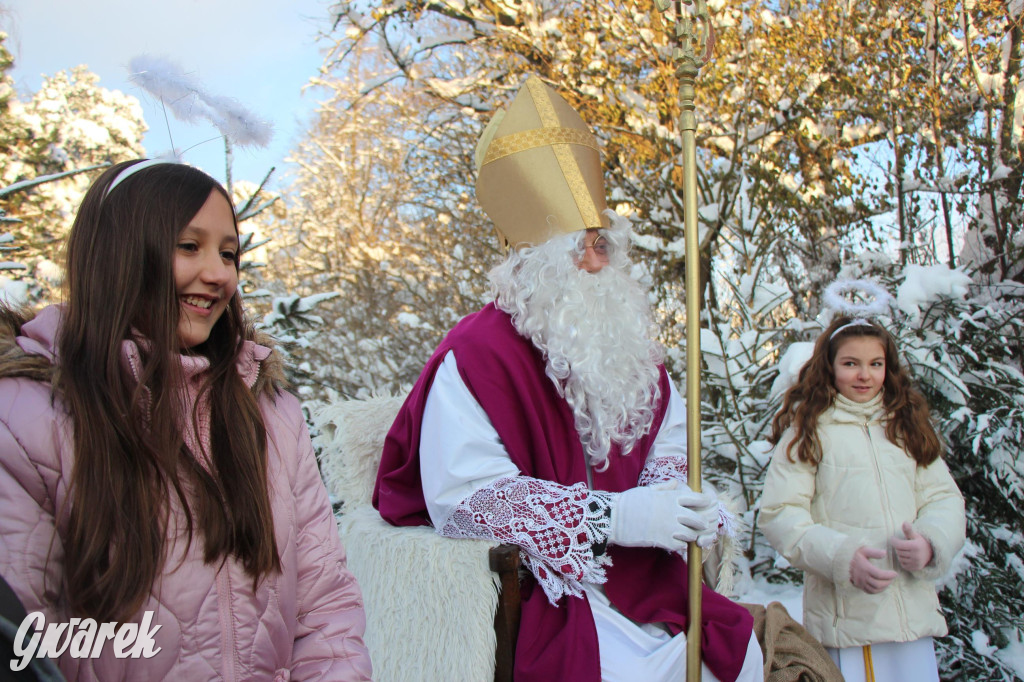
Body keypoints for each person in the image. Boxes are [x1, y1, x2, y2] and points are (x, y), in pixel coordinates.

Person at [374, 76, 762, 682]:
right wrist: (616, 518)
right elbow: (466, 500)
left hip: (647, 580)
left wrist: (666, 499)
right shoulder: (476, 354)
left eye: (603, 245)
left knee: (736, 652)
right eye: (578, 247)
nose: (596, 262)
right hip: (549, 587)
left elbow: (668, 439)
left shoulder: (634, 350)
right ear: (533, 260)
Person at [0, 160, 373, 680]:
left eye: (228, 253)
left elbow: (324, 606)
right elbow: (22, 646)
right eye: (188, 246)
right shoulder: (27, 416)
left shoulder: (269, 414)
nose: (220, 273)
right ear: (119, 253)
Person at [760, 313, 966, 681]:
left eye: (875, 364)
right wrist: (841, 557)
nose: (864, 375)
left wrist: (932, 543)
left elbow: (944, 499)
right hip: (850, 623)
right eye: (850, 363)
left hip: (912, 620)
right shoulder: (808, 431)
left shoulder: (905, 425)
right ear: (830, 366)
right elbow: (780, 514)